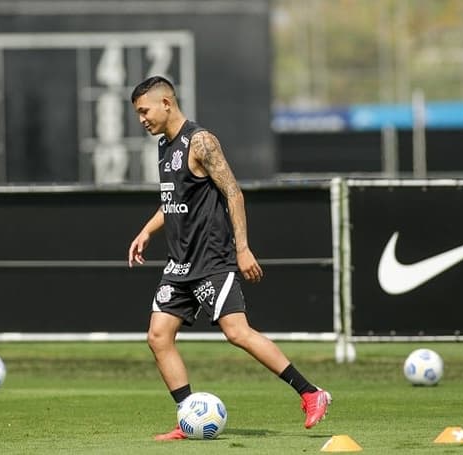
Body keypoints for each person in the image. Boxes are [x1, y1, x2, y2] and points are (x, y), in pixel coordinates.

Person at [128, 75, 331, 441]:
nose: (141, 119)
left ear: (167, 104)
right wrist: (147, 231)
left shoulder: (200, 141)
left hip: (212, 259)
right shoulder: (164, 146)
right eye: (138, 113)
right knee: (158, 337)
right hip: (180, 263)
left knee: (237, 332)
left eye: (144, 111)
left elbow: (234, 193)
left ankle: (311, 393)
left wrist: (242, 248)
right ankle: (188, 415)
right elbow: (173, 201)